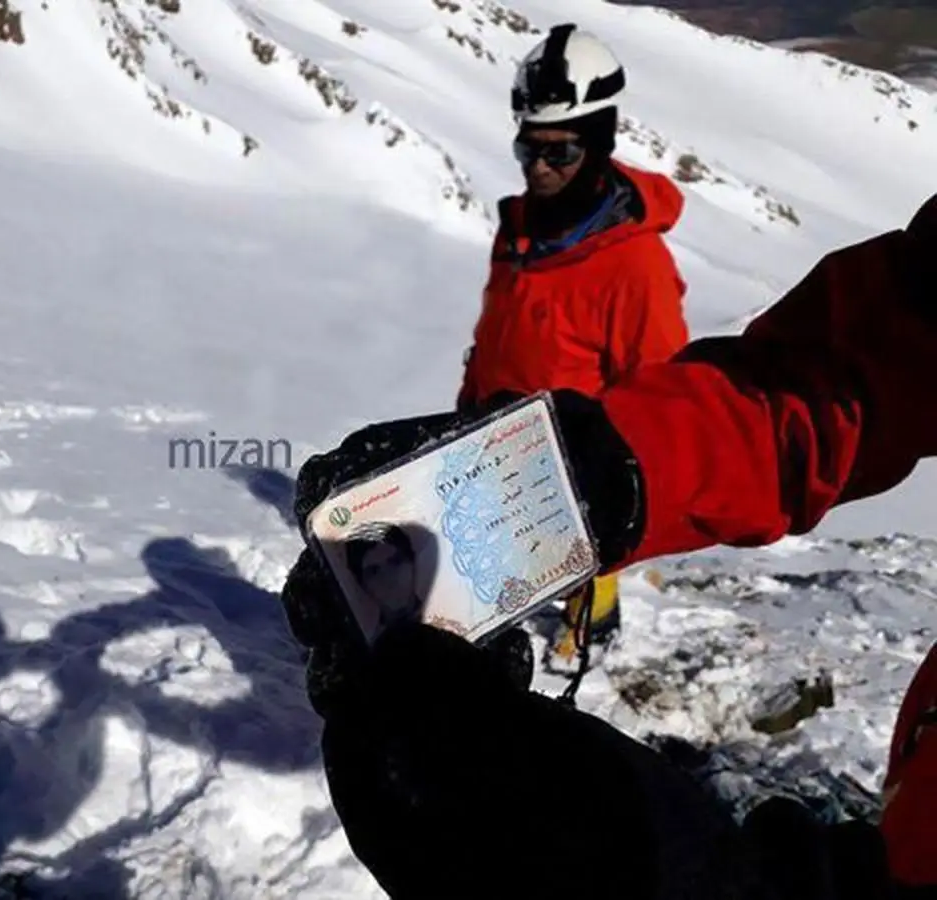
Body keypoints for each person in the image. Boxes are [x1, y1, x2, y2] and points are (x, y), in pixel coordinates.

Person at [281, 190, 937, 897]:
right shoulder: (520, 238)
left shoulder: (630, 264)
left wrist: (680, 876)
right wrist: (591, 473)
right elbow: (846, 382)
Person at [457, 22, 691, 668]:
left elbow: (660, 390)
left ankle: (596, 613)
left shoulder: (635, 265)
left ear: (598, 145)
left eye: (559, 152)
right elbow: (500, 325)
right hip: (497, 428)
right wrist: (470, 399)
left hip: (577, 453)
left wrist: (625, 487)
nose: (539, 167)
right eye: (529, 150)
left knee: (576, 547)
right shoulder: (522, 228)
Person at [344, 524, 425, 641]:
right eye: (374, 572)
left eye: (396, 562)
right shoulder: (372, 652)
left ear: (412, 563)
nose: (389, 578)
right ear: (363, 586)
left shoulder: (450, 615)